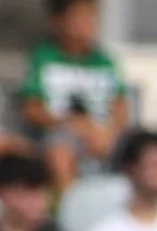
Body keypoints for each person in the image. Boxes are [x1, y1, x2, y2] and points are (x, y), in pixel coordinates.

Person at [19, 0, 129, 191]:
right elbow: (32, 109)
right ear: (57, 22)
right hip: (60, 133)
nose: (86, 24)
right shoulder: (43, 58)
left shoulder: (105, 61)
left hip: (102, 134)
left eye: (91, 17)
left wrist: (109, 133)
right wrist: (73, 125)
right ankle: (71, 210)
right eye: (78, 16)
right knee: (60, 153)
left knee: (141, 153)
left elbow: (120, 108)